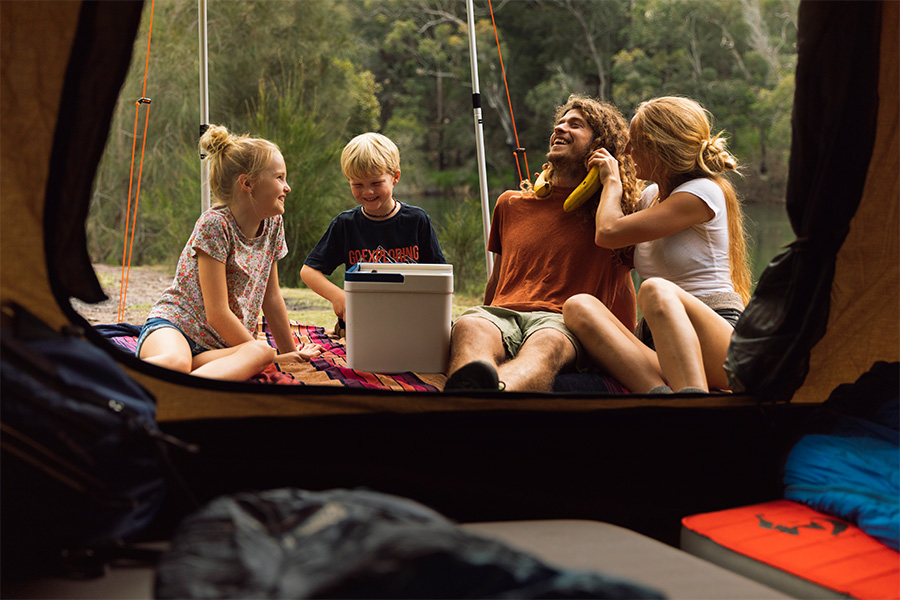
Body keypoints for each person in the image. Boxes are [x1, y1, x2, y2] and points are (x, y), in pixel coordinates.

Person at [444, 95, 641, 392]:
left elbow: (622, 285)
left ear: (600, 146)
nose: (560, 128)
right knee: (470, 326)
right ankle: (467, 395)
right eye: (559, 123)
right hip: (503, 314)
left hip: (561, 323)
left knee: (547, 341)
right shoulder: (510, 203)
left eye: (575, 125)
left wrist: (625, 351)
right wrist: (485, 312)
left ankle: (494, 396)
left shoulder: (611, 216)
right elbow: (497, 280)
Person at [562, 96, 752, 394]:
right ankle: (661, 397)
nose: (626, 151)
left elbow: (609, 231)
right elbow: (605, 222)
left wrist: (612, 181)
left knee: (654, 288)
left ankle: (695, 408)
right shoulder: (651, 197)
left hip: (718, 340)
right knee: (578, 306)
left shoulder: (702, 193)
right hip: (657, 342)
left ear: (659, 148)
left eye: (635, 143)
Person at [136, 125, 322, 381]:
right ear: (247, 183)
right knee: (175, 362)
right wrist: (259, 350)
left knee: (261, 354)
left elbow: (272, 298)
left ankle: (188, 394)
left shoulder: (273, 224)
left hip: (220, 350)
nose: (287, 187)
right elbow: (217, 313)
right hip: (175, 328)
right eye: (279, 178)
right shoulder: (214, 225)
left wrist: (291, 355)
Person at [300, 132, 446, 323]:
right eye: (357, 184)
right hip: (362, 321)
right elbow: (308, 271)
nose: (367, 191)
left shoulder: (417, 221)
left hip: (411, 318)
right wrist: (338, 296)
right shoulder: (345, 225)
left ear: (395, 177)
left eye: (376, 183)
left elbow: (440, 275)